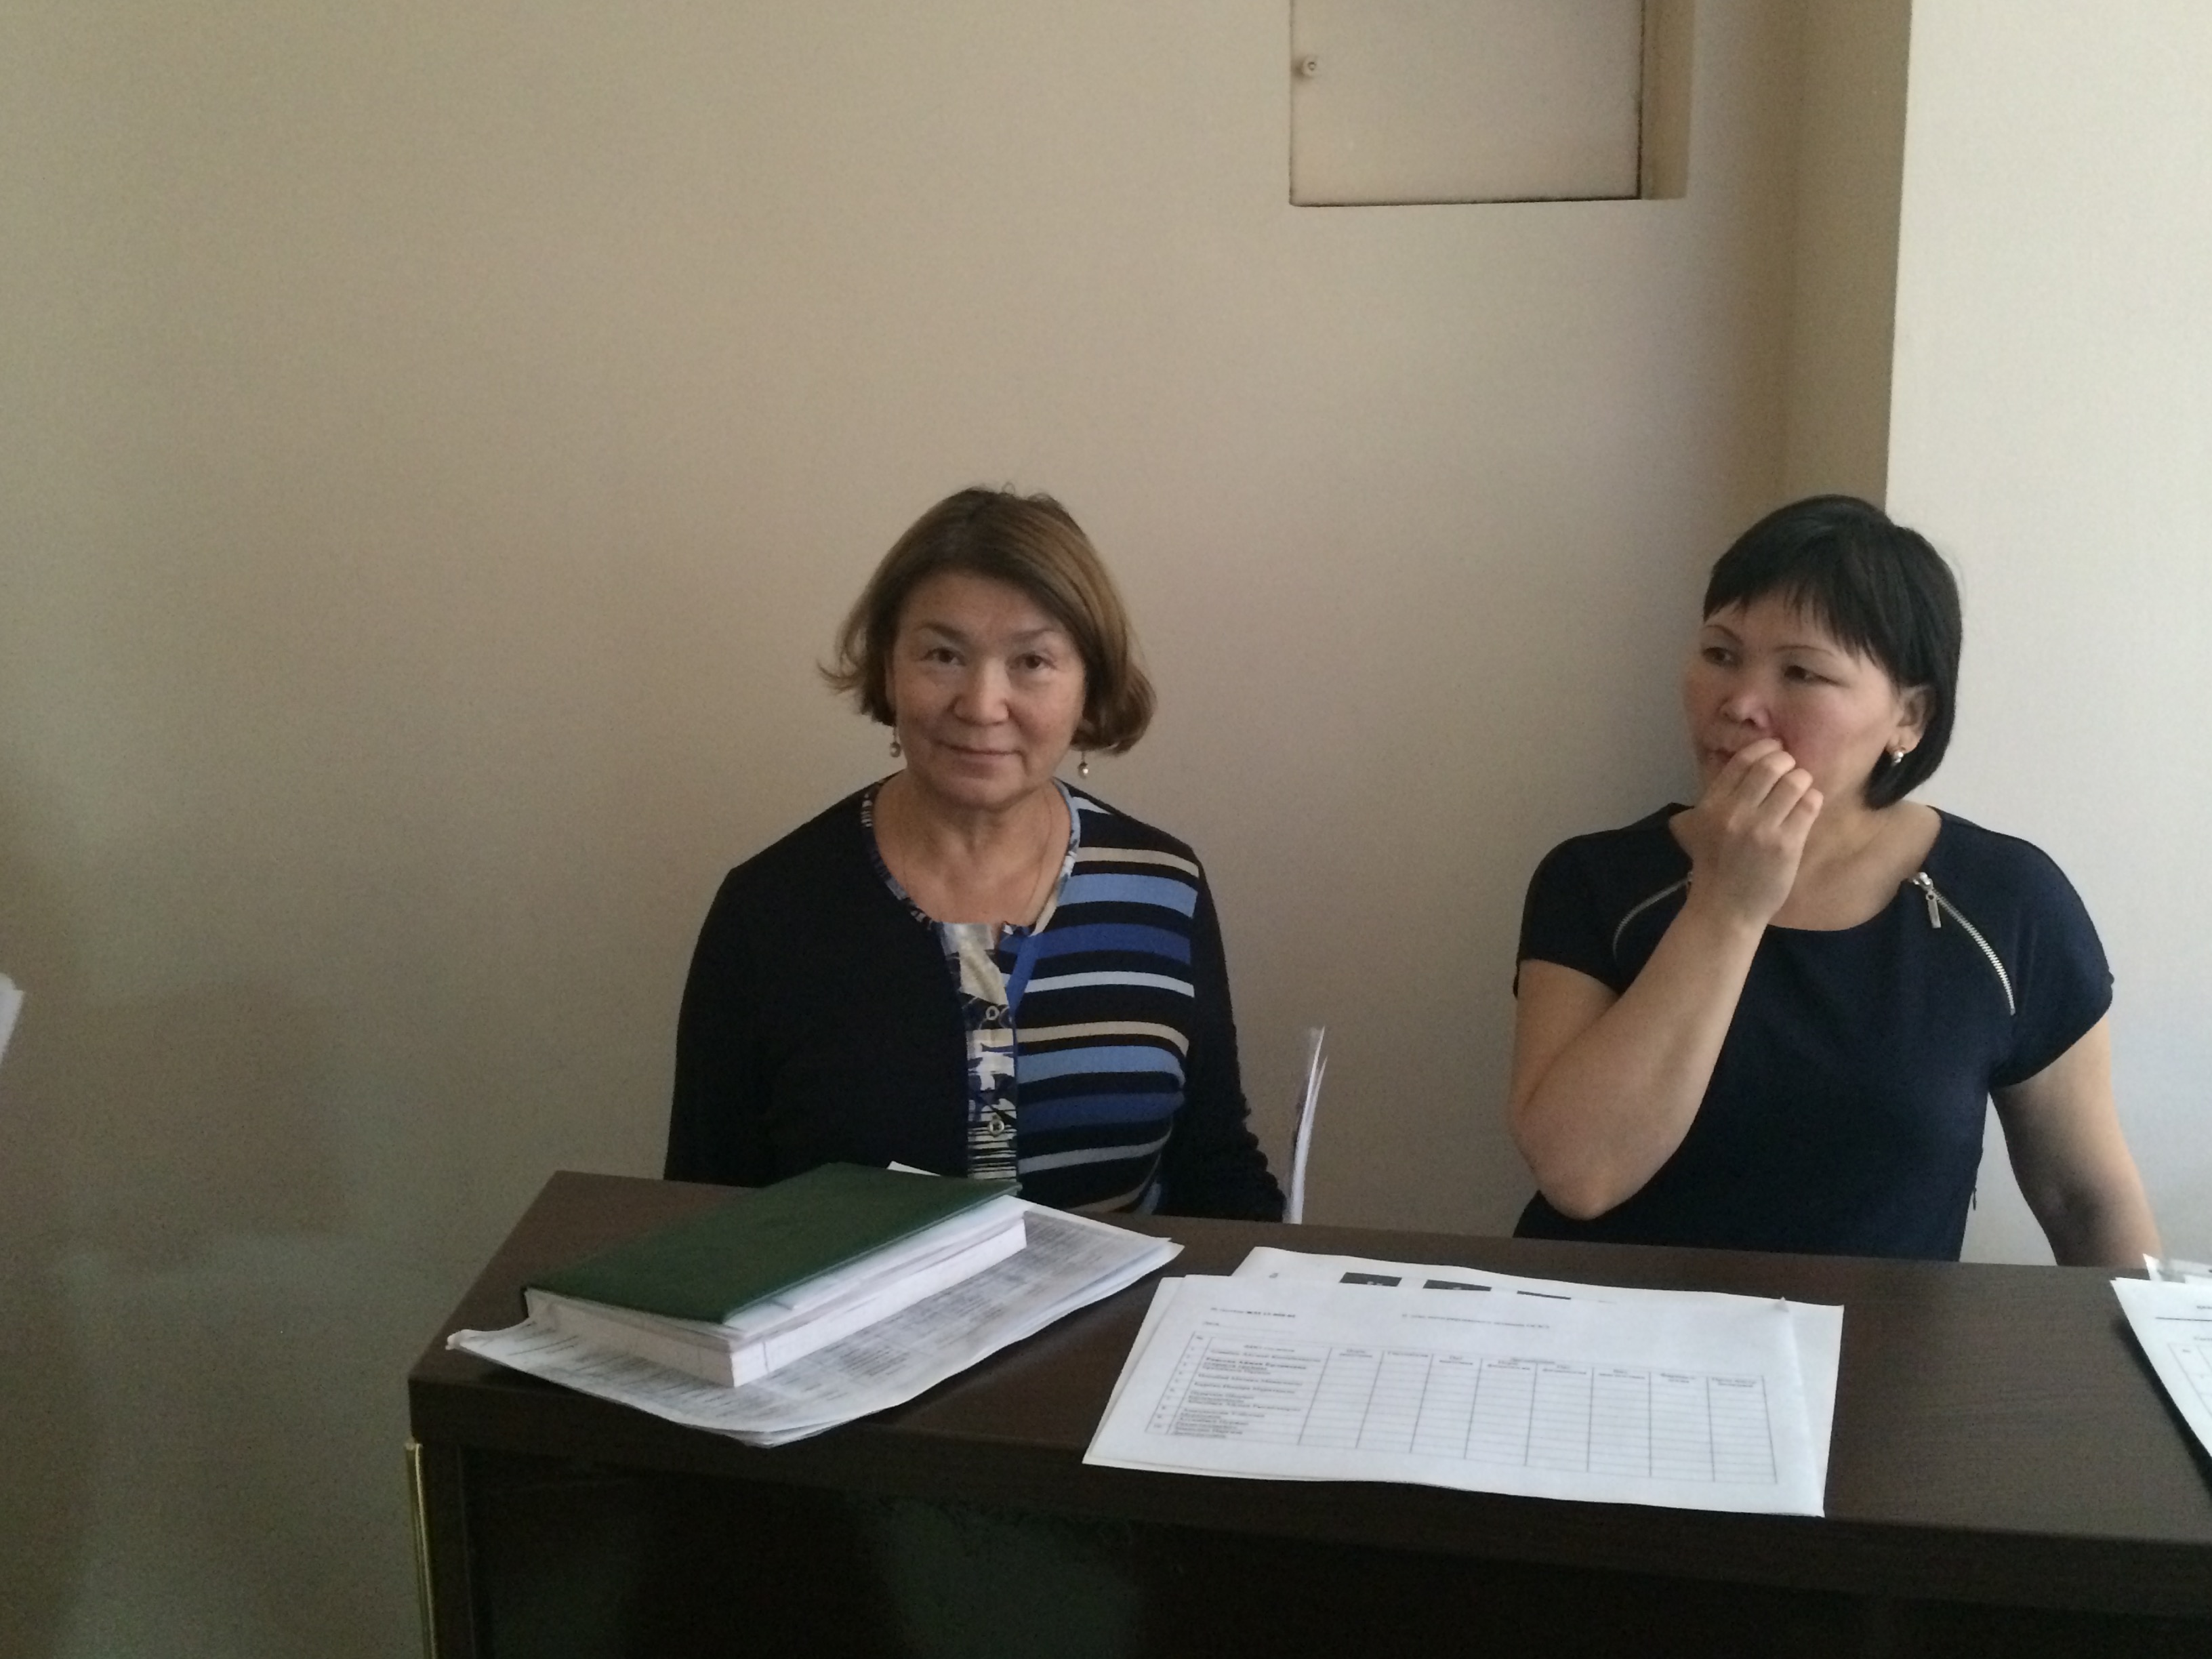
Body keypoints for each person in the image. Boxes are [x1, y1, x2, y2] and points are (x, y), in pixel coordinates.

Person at [1508, 495, 2158, 1263]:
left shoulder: (2009, 899)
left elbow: (2085, 1199)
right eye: (1720, 654)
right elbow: (1580, 1175)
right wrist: (1727, 906)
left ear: (1909, 717)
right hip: (1607, 1329)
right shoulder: (1595, 880)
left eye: (1801, 672)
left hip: (1879, 1337)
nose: (1739, 704)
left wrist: (2146, 1336)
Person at [667, 487, 1283, 1219]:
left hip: (1129, 1299)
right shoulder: (768, 911)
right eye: (943, 655)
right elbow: (701, 1207)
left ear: (1089, 687)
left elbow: (1214, 1164)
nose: (983, 705)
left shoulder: (1163, 889)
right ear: (888, 670)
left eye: (1033, 661)